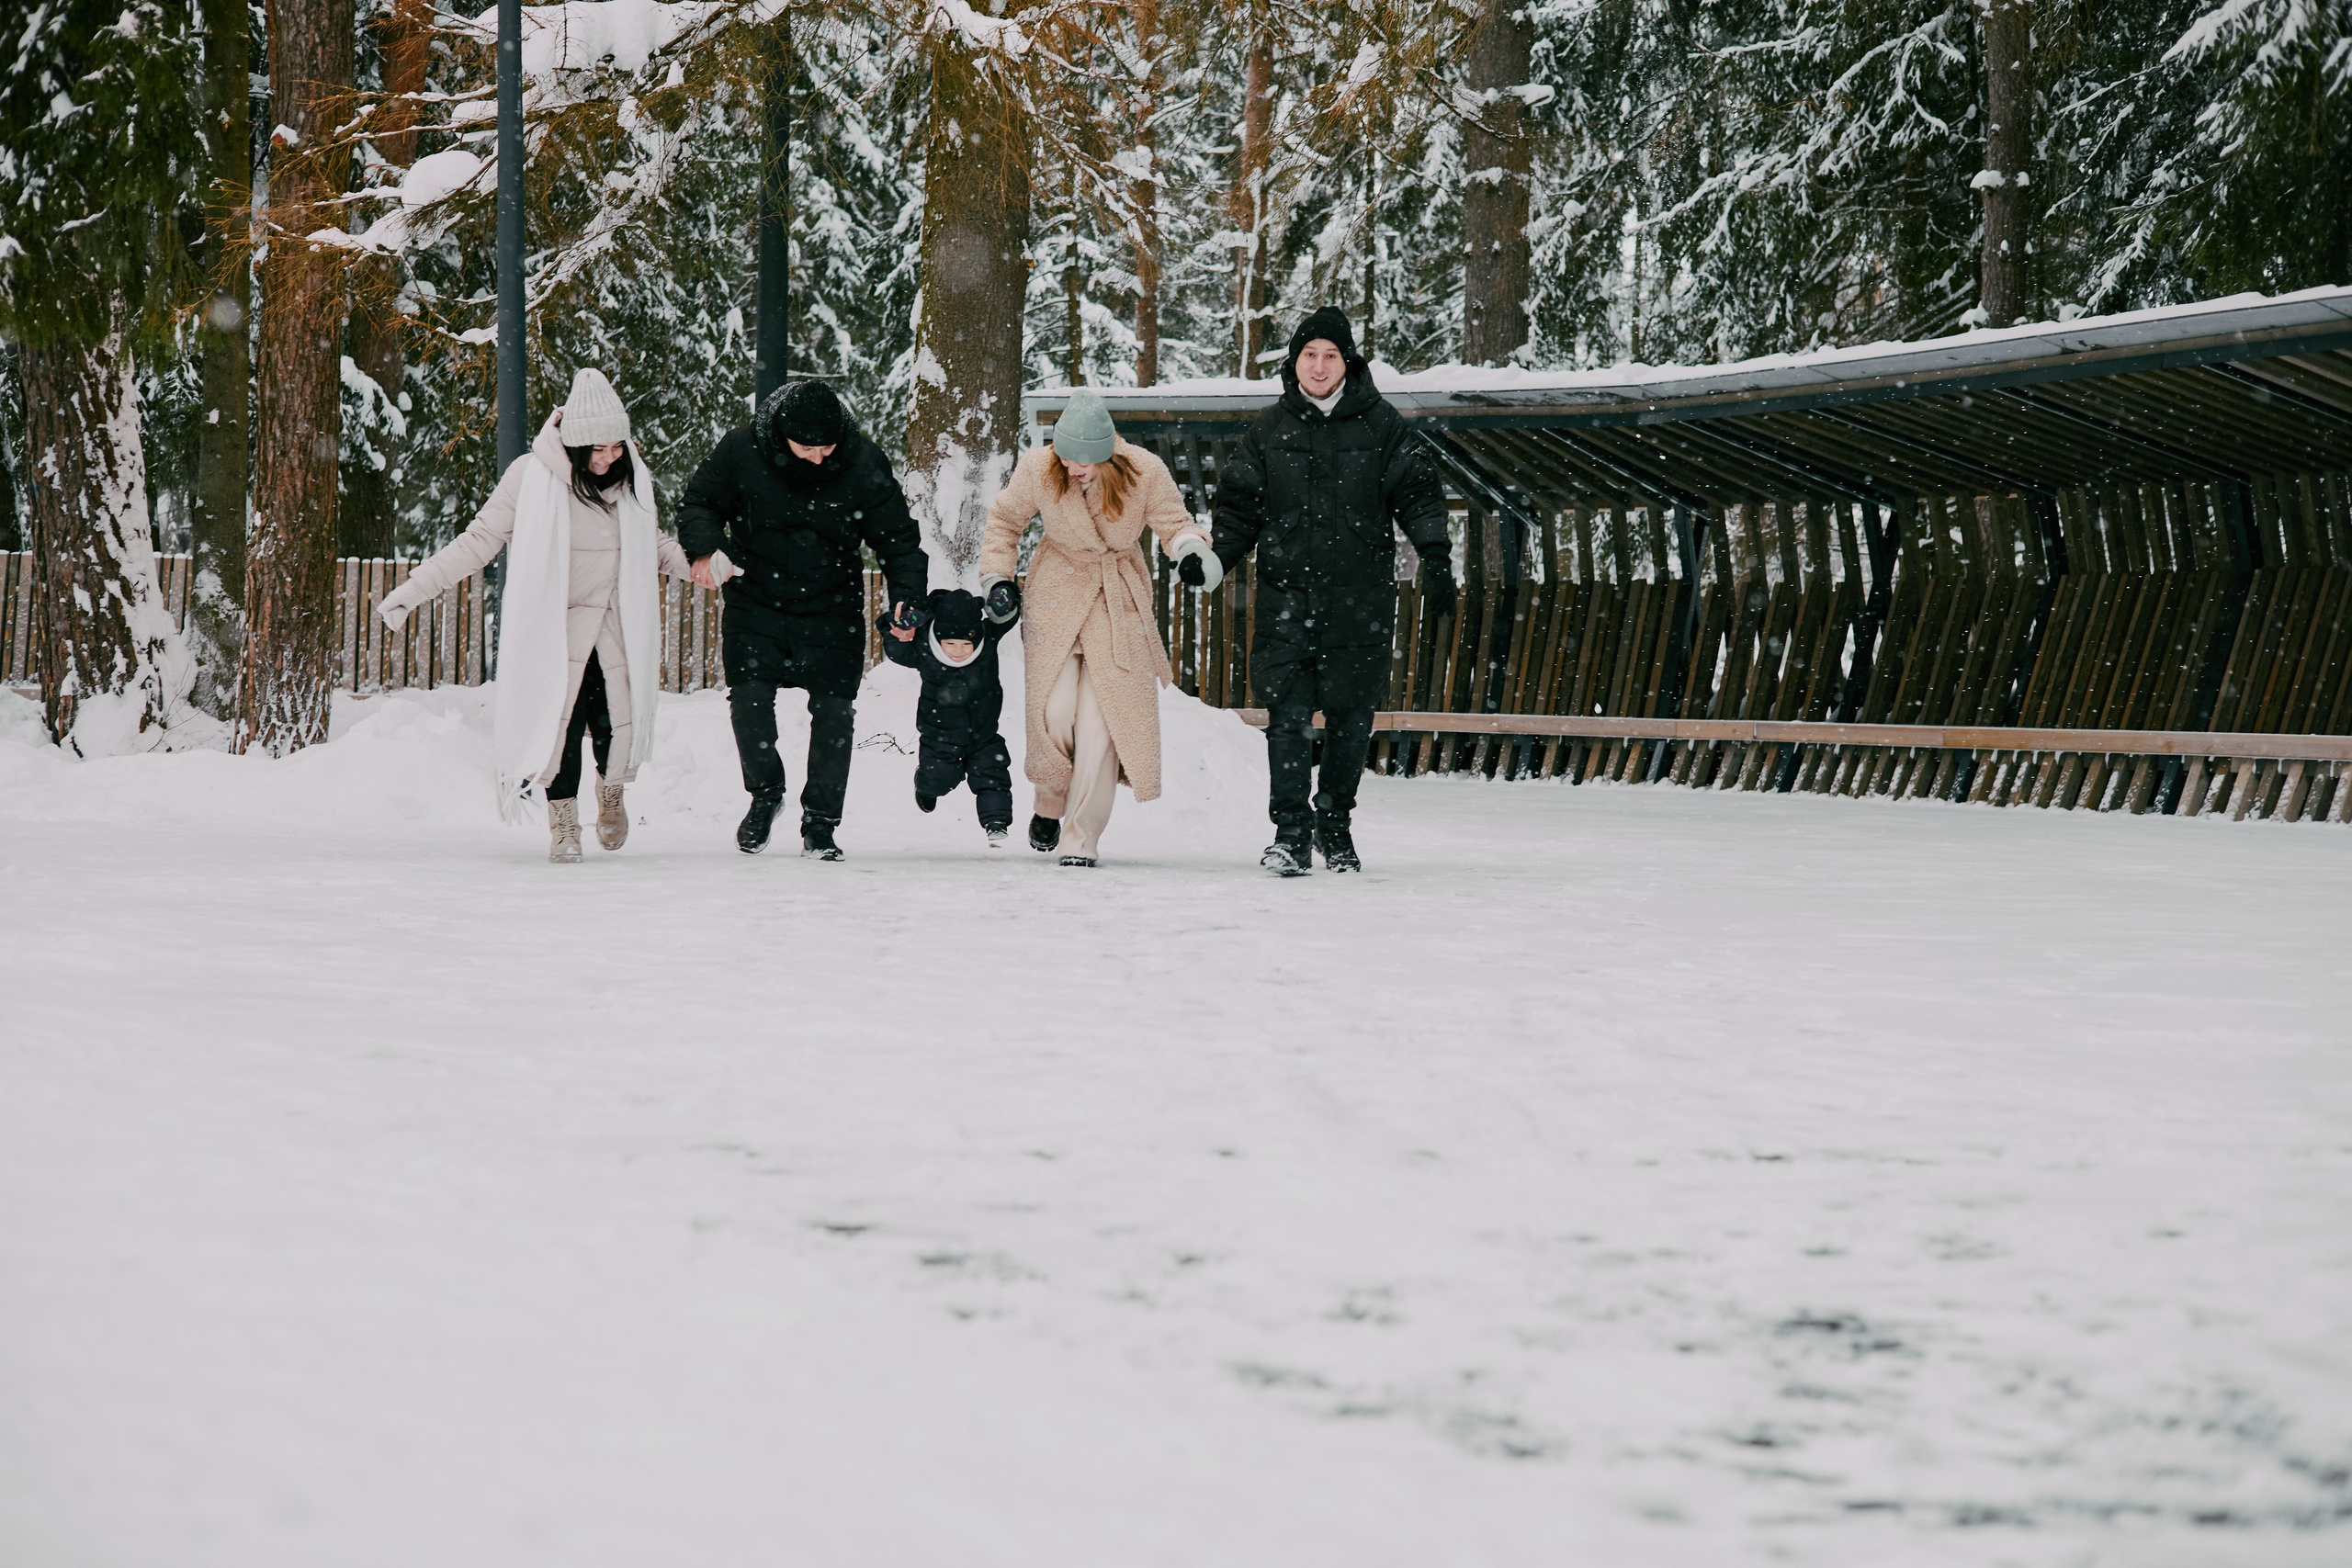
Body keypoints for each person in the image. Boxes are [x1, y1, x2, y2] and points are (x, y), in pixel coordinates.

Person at [378, 368, 695, 863]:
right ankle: (563, 820)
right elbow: (479, 541)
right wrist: (412, 592)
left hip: (616, 625)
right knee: (559, 729)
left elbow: (652, 545)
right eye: (599, 450)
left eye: (617, 446)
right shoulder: (532, 477)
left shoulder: (634, 478)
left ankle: (611, 794)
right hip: (555, 628)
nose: (611, 458)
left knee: (616, 722)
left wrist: (702, 567)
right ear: (574, 446)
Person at [1201, 306, 1453, 875]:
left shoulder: (1381, 426)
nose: (1319, 366)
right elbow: (1239, 509)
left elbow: (1418, 493)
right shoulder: (1268, 431)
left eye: (1330, 355)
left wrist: (1435, 555)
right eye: (1309, 355)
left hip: (1358, 603)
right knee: (1286, 721)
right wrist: (1214, 560)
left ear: (1348, 363)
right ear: (1295, 363)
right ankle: (1290, 835)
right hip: (1286, 601)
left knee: (1349, 721)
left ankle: (1335, 831)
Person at [677, 379, 928, 859]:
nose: (818, 457)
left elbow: (898, 539)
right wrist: (705, 549)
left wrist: (906, 599)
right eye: (807, 448)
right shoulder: (741, 450)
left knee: (835, 714)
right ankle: (766, 794)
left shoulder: (862, 461)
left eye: (827, 447)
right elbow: (699, 503)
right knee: (749, 704)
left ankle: (821, 823)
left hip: (833, 607)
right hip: (756, 600)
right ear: (782, 435)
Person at [979, 389, 1215, 868]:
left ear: (1107, 456)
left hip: (1116, 600)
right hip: (1057, 592)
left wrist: (1190, 550)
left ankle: (1080, 838)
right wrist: (996, 578)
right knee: (1054, 710)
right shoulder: (1039, 468)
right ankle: (1049, 801)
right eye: (1064, 458)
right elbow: (1004, 521)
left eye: (1081, 462)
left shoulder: (1145, 470)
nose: (1071, 468)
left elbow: (1176, 523)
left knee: (1103, 722)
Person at [876, 588, 1016, 844]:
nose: (958, 651)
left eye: (966, 644)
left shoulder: (987, 642)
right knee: (938, 779)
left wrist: (1007, 597)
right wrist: (894, 627)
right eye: (950, 644)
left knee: (992, 773)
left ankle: (996, 821)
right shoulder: (925, 648)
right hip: (938, 735)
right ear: (939, 639)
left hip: (982, 733)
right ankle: (925, 786)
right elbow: (897, 649)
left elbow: (1007, 616)